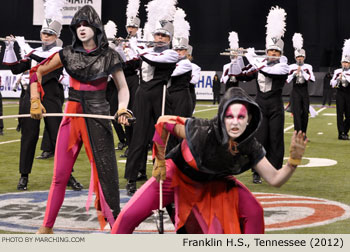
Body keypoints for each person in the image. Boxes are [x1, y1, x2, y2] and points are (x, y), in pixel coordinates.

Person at [111, 87, 307, 234]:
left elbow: (275, 179)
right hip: (175, 176)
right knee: (127, 218)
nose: (235, 122)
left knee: (254, 211)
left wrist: (293, 162)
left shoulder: (249, 145)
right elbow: (163, 121)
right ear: (222, 117)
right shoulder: (202, 130)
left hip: (215, 182)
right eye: (230, 116)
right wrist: (159, 161)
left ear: (250, 120)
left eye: (241, 117)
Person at [30, 5, 130, 234]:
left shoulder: (110, 56)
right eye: (78, 25)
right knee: (59, 176)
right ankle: (46, 227)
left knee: (106, 176)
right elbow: (37, 71)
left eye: (86, 24)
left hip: (97, 118)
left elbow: (123, 88)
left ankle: (116, 228)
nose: (82, 29)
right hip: (71, 118)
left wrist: (123, 108)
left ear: (96, 27)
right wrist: (36, 98)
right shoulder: (66, 53)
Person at [2, 18, 82, 190]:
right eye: (44, 33)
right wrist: (10, 47)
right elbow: (15, 68)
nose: (46, 37)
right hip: (30, 98)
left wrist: (26, 49)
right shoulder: (33, 52)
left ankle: (68, 175)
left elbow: (49, 61)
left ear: (56, 36)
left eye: (50, 34)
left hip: (52, 97)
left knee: (58, 138)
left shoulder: (60, 52)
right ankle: (24, 176)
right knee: (28, 137)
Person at [123, 20, 178, 196]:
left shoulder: (171, 54)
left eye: (164, 36)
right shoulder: (146, 50)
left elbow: (152, 60)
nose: (160, 38)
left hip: (160, 95)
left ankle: (164, 175)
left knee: (162, 137)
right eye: (158, 35)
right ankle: (132, 178)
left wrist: (136, 46)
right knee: (138, 136)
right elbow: (129, 62)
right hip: (142, 94)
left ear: (169, 39)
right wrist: (123, 47)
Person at [237, 6, 289, 184]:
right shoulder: (259, 64)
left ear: (280, 54)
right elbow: (240, 76)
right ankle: (257, 171)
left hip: (275, 106)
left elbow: (268, 71)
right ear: (266, 52)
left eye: (276, 52)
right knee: (259, 138)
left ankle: (275, 171)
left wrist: (253, 58)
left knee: (275, 139)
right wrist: (237, 58)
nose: (273, 54)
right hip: (259, 105)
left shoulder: (283, 66)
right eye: (270, 51)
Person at [287, 33, 315, 137]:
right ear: (295, 57)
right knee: (297, 114)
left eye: (301, 57)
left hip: (304, 91)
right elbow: (287, 81)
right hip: (295, 91)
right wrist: (294, 73)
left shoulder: (308, 66)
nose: (300, 58)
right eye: (298, 57)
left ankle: (304, 133)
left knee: (305, 114)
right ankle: (298, 133)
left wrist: (303, 72)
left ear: (304, 57)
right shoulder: (291, 67)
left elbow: (312, 79)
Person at [330, 39, 350, 140]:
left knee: (349, 115)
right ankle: (341, 133)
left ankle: (345, 131)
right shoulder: (337, 71)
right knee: (339, 114)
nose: (345, 64)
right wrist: (338, 78)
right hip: (340, 93)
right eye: (343, 62)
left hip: (349, 94)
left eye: (347, 63)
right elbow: (332, 83)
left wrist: (346, 77)